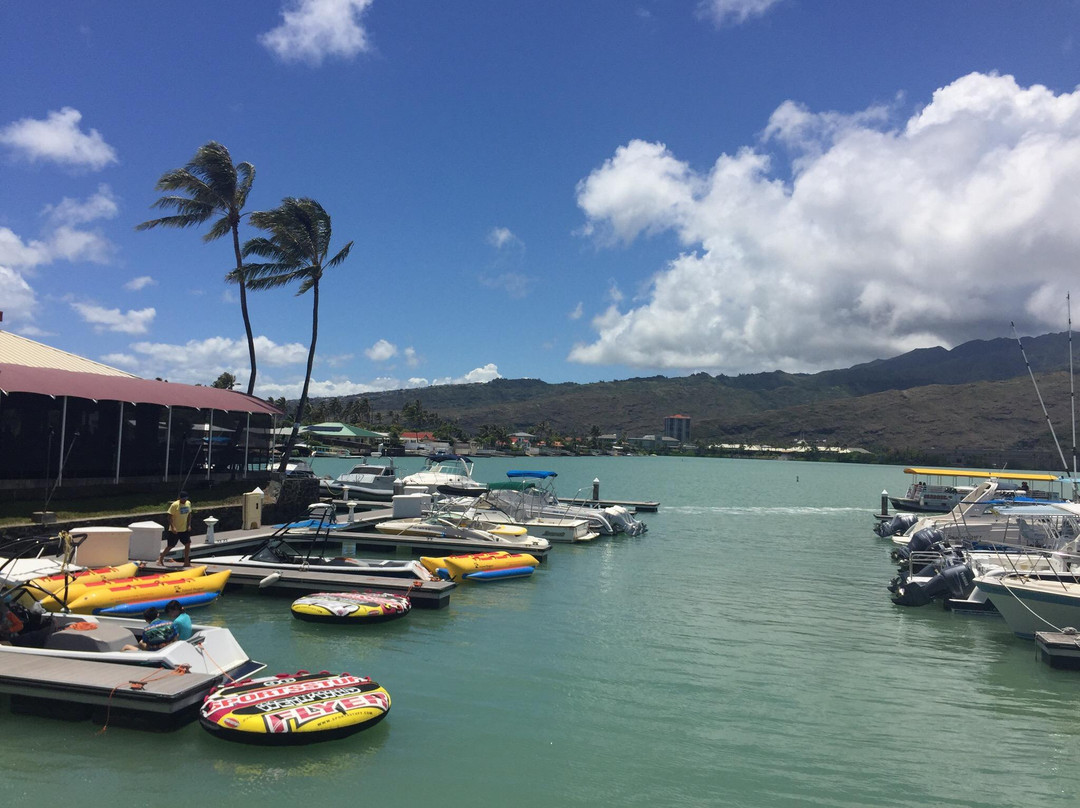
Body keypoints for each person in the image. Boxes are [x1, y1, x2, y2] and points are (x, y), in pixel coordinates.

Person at [159, 490, 193, 566]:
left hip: (184, 529)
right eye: (183, 499)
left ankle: (186, 561)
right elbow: (169, 517)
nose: (184, 500)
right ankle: (161, 558)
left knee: (187, 544)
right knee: (171, 545)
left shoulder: (188, 503)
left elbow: (189, 515)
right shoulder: (175, 505)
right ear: (179, 498)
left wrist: (189, 525)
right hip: (175, 530)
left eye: (186, 499)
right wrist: (173, 527)